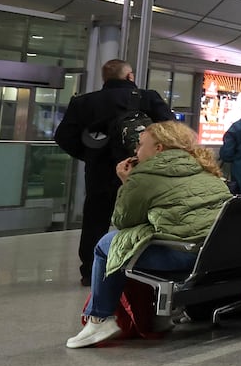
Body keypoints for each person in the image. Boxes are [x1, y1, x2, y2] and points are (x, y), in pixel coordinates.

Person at [66, 122, 230, 348]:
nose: (135, 151)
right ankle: (157, 318)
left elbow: (124, 221)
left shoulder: (145, 176)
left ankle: (99, 318)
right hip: (216, 254)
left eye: (141, 145)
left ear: (159, 149)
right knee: (141, 239)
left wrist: (127, 182)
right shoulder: (206, 170)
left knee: (107, 244)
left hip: (185, 257)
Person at [54, 58, 173, 285]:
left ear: (105, 78)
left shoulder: (84, 103)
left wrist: (89, 154)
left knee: (95, 219)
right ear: (129, 77)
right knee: (143, 217)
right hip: (140, 171)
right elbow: (171, 131)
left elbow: (63, 136)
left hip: (99, 171)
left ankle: (91, 270)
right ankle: (141, 267)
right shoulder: (147, 98)